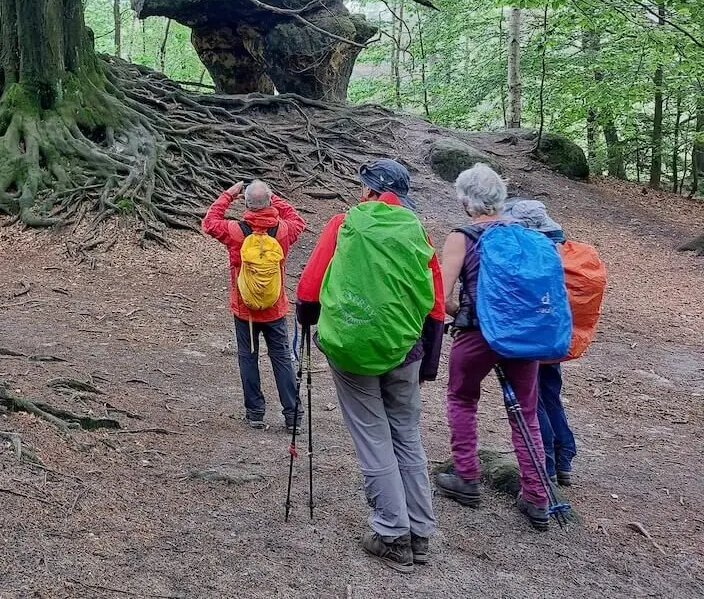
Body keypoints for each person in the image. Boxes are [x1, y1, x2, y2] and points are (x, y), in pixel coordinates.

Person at [296, 159, 445, 573]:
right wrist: (428, 360)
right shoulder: (417, 232)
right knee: (407, 437)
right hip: (406, 348)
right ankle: (420, 534)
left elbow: (310, 284)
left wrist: (307, 322)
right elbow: (435, 301)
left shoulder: (345, 223)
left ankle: (391, 534)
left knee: (373, 436)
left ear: (368, 191)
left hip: (352, 348)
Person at [434, 164, 550, 531]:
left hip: (478, 334)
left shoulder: (462, 237)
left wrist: (462, 311)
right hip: (524, 337)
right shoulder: (529, 235)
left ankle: (466, 477)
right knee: (526, 413)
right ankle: (536, 497)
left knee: (462, 399)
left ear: (467, 201)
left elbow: (442, 295)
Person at [203, 180, 306, 429]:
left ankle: (255, 414)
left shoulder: (235, 231)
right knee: (282, 359)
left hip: (244, 309)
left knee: (248, 358)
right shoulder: (283, 230)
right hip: (274, 309)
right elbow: (298, 219)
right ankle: (292, 417)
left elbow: (209, 221)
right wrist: (274, 197)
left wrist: (229, 194)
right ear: (270, 201)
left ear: (246, 203)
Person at [506, 198, 577, 486]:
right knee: (551, 396)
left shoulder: (528, 251)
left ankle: (545, 464)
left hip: (532, 335)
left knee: (534, 403)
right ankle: (564, 460)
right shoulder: (558, 247)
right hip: (554, 332)